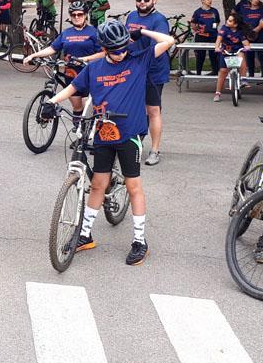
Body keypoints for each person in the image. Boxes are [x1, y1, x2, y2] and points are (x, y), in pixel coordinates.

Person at [41, 19, 176, 265]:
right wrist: (51, 103)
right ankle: (85, 235)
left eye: (123, 47)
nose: (121, 53)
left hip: (129, 134)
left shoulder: (139, 59)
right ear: (104, 49)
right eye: (115, 50)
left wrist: (141, 31)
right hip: (103, 132)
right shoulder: (95, 68)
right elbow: (72, 88)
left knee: (134, 186)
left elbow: (169, 41)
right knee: (97, 185)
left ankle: (139, 241)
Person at [26, 1, 102, 123]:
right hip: (71, 74)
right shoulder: (66, 33)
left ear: (86, 15)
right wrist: (34, 55)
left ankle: (89, 132)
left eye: (80, 14)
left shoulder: (93, 32)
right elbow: (52, 48)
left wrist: (85, 59)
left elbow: (103, 53)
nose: (76, 17)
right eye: (73, 15)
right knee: (77, 107)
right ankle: (79, 134)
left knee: (87, 108)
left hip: (89, 73)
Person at [124, 0, 169, 166]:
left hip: (153, 71)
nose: (142, 2)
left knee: (153, 110)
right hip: (134, 69)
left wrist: (142, 32)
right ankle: (136, 141)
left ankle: (155, 150)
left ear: (154, 0)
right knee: (135, 108)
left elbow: (163, 44)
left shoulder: (159, 20)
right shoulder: (131, 16)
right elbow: (127, 40)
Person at [214, 12, 251, 102]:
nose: (227, 21)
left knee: (241, 55)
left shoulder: (240, 32)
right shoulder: (224, 29)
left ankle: (243, 79)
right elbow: (219, 39)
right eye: (228, 20)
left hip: (237, 50)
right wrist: (216, 47)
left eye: (230, 21)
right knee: (223, 71)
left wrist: (247, 47)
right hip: (226, 51)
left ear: (235, 24)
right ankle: (218, 93)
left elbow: (245, 42)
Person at [240, 0, 263, 83]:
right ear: (250, 0)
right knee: (249, 55)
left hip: (260, 36)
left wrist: (256, 30)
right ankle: (251, 75)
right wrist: (248, 33)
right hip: (249, 36)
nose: (256, 1)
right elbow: (243, 23)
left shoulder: (261, 11)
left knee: (262, 56)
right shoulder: (246, 11)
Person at [190, 0, 220, 75]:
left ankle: (215, 73)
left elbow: (217, 21)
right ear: (202, 0)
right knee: (200, 56)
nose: (210, 1)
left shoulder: (214, 11)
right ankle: (198, 73)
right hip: (201, 37)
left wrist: (213, 27)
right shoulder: (198, 12)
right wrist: (198, 30)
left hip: (213, 37)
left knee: (213, 56)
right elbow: (193, 23)